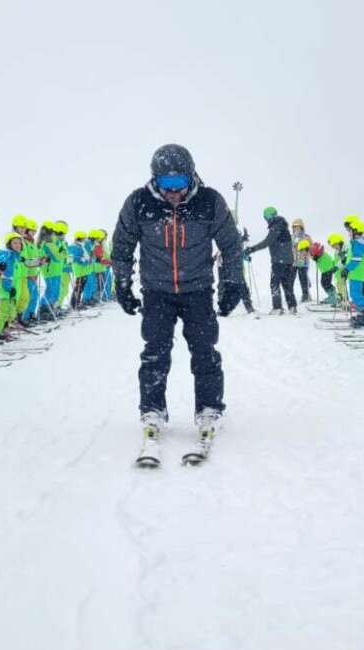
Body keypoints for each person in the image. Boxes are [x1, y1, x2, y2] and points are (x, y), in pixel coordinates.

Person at [111, 143, 244, 463]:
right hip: (157, 292)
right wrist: (122, 283)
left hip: (198, 291)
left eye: (179, 182)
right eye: (166, 183)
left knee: (205, 351)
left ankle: (209, 408)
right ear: (154, 179)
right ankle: (153, 410)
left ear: (191, 176)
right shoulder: (139, 203)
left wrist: (232, 282)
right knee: (154, 352)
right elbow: (122, 245)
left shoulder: (209, 201)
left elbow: (231, 245)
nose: (173, 191)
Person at [245, 206, 296, 315]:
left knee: (274, 283)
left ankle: (277, 308)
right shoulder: (283, 226)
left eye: (267, 217)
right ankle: (292, 306)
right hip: (288, 261)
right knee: (286, 284)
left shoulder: (276, 227)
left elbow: (267, 242)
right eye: (265, 218)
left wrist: (252, 249)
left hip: (279, 261)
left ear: (271, 216)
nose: (266, 220)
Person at [343, 215, 364, 327]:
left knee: (356, 294)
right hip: (358, 273)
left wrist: (347, 269)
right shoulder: (358, 242)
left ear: (355, 232)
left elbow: (356, 259)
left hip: (357, 273)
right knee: (357, 294)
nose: (349, 233)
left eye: (350, 231)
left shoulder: (357, 243)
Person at [306, 239, 338, 305]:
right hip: (326, 269)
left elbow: (316, 256)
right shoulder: (316, 251)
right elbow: (315, 257)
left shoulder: (318, 252)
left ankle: (333, 297)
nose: (311, 255)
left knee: (325, 283)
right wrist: (314, 257)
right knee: (325, 283)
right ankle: (332, 295)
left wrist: (314, 257)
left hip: (327, 269)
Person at [290, 218, 312, 302]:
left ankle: (305, 295)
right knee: (290, 279)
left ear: (301, 227)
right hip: (293, 261)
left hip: (303, 261)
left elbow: (311, 247)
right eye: (294, 227)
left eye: (298, 227)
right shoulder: (291, 237)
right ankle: (289, 294)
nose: (296, 229)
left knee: (303, 278)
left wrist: (309, 252)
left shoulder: (306, 237)